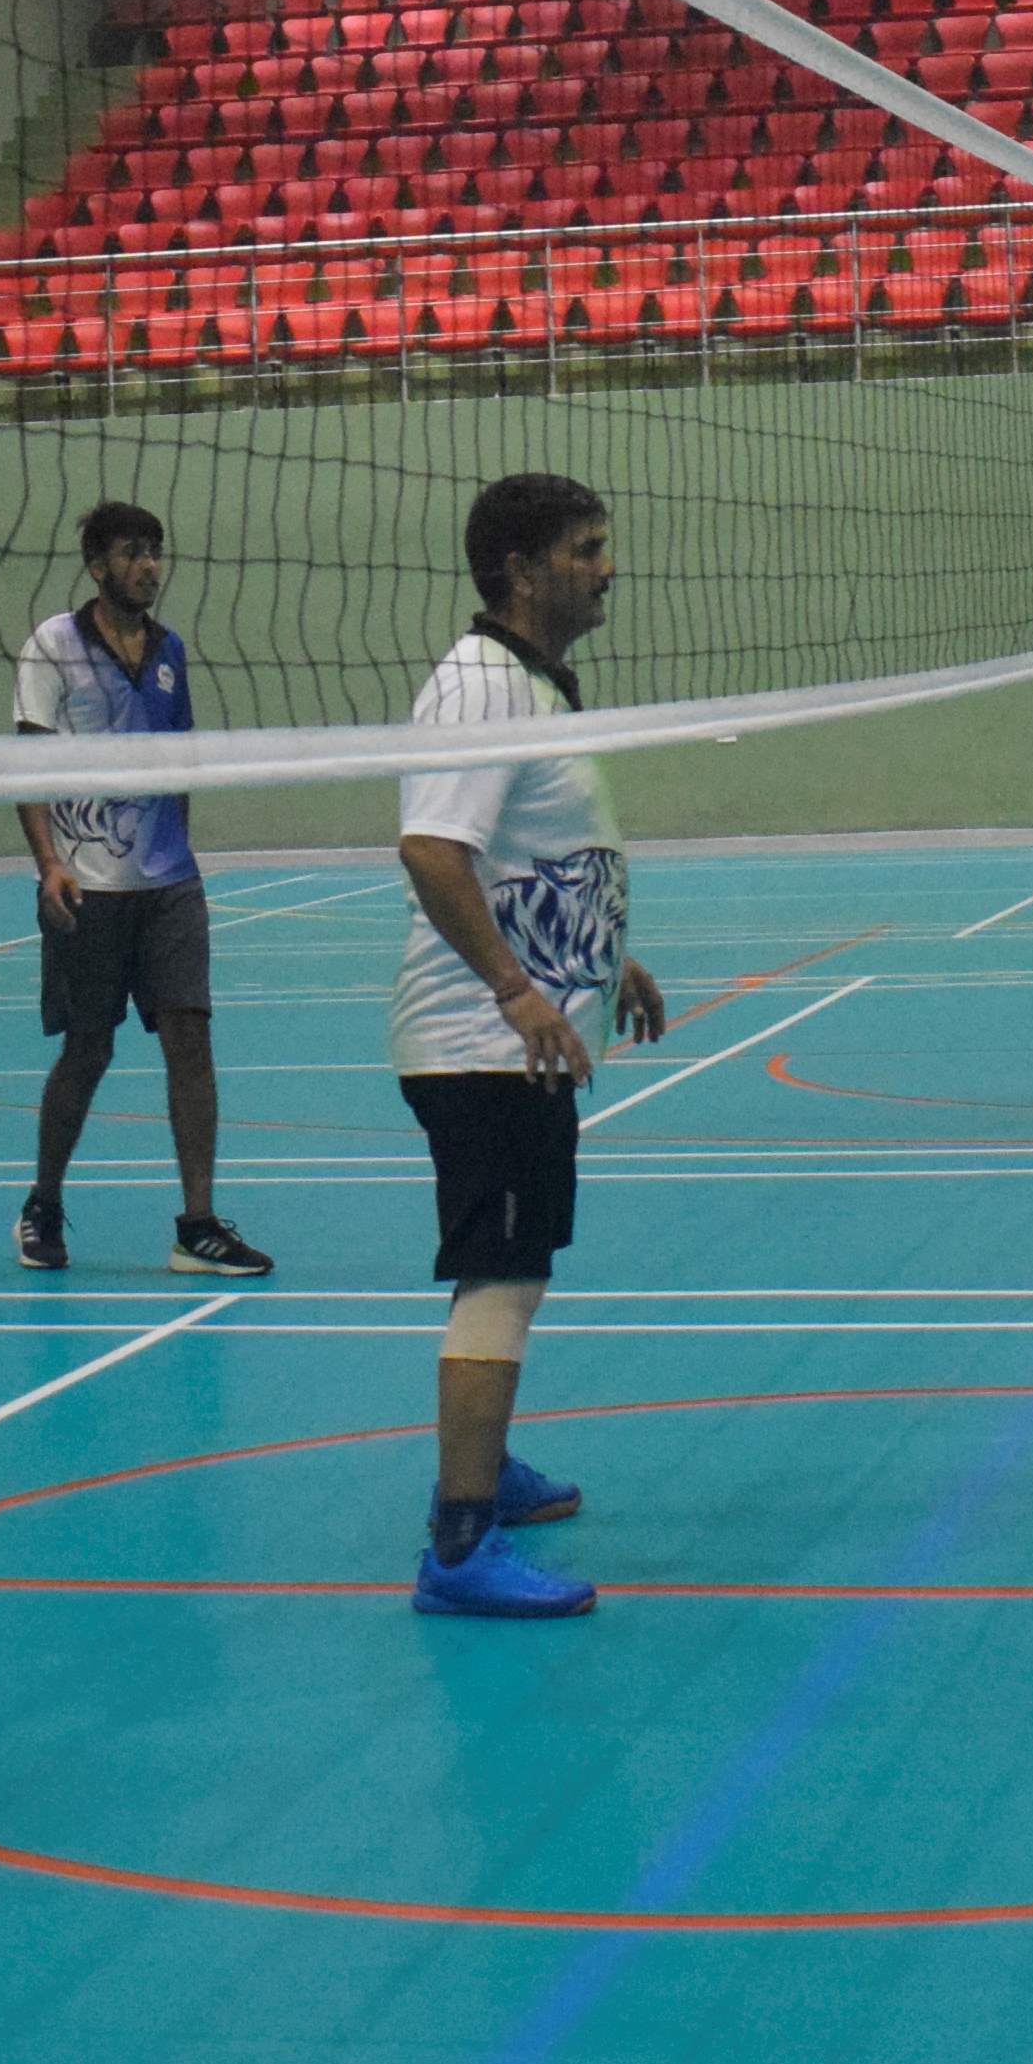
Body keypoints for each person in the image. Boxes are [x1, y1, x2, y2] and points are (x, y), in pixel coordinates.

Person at [385, 472, 671, 1617]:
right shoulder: (477, 689)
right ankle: (457, 1549)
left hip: (525, 1041)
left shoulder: (539, 684)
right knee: (500, 1277)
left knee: (517, 1266)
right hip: (479, 1045)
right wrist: (515, 991)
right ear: (521, 570)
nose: (608, 567)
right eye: (587, 549)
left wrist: (607, 965)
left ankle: (487, 1469)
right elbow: (433, 851)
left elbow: (535, 853)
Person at [10, 502, 267, 1281]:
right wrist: (48, 864)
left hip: (168, 884)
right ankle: (44, 1202)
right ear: (96, 565)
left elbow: (177, 762)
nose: (150, 565)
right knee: (88, 1048)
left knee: (191, 1036)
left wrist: (181, 856)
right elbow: (28, 766)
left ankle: (197, 1223)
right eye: (132, 553)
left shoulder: (169, 651)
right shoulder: (52, 646)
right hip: (85, 886)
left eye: (156, 551)